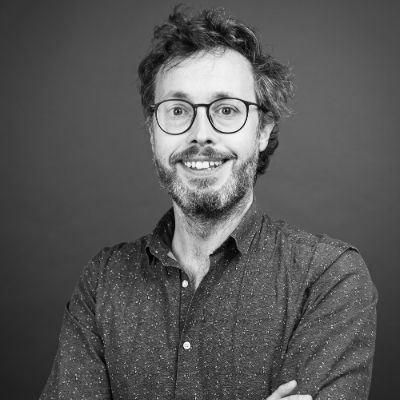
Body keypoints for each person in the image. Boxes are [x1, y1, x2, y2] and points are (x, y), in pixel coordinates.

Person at [40, 6, 377, 400]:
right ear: (152, 133)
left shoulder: (328, 279)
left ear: (263, 130)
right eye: (178, 110)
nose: (201, 134)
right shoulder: (103, 282)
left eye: (227, 110)